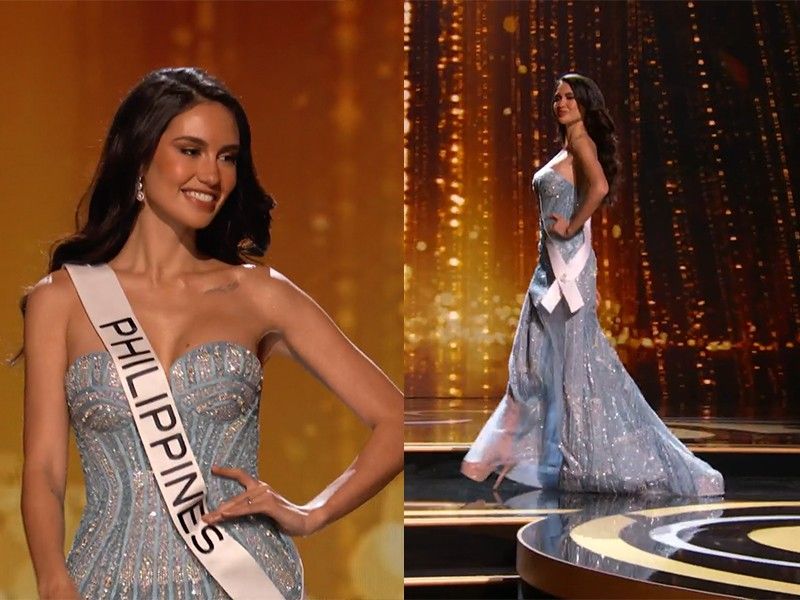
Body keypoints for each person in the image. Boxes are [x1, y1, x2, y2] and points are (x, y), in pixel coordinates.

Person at [20, 67, 403, 599]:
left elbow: (395, 419)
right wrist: (51, 578)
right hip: (103, 583)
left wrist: (311, 514)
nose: (213, 174)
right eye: (191, 150)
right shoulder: (60, 300)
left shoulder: (258, 293)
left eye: (228, 157)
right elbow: (42, 469)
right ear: (139, 155)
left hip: (241, 581)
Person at [461, 73, 723, 497]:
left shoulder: (582, 144)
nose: (560, 102)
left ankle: (519, 455)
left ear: (585, 104)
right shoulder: (567, 148)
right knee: (535, 361)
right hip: (553, 270)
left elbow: (598, 188)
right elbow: (584, 197)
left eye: (569, 96)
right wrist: (585, 262)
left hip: (565, 270)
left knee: (569, 368)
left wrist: (571, 227)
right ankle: (525, 453)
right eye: (557, 96)